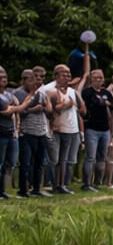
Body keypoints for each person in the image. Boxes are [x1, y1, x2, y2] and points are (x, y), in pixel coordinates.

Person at [46, 63, 83, 193]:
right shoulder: (48, 89)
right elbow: (49, 110)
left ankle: (61, 185)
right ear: (55, 75)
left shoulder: (72, 91)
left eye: (68, 73)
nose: (67, 76)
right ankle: (52, 184)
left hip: (70, 129)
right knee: (54, 159)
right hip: (54, 130)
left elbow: (81, 111)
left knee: (64, 159)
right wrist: (64, 105)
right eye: (63, 73)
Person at [17, 69, 52, 197]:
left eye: (36, 80)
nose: (35, 82)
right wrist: (33, 108)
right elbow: (20, 112)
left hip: (41, 131)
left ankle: (36, 188)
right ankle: (23, 190)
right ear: (24, 80)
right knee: (25, 163)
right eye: (31, 80)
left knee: (39, 163)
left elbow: (49, 112)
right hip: (27, 132)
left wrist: (44, 106)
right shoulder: (19, 93)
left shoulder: (42, 94)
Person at [80, 69, 113, 191]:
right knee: (90, 157)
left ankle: (98, 182)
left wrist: (104, 103)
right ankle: (86, 183)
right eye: (96, 78)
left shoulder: (107, 93)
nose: (99, 80)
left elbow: (111, 108)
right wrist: (103, 102)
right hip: (91, 128)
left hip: (105, 129)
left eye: (101, 78)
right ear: (91, 79)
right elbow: (93, 103)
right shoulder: (87, 92)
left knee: (102, 157)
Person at [0, 67, 18, 198]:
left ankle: (3, 190)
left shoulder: (9, 94)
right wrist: (16, 107)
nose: (3, 78)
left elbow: (14, 111)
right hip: (1, 134)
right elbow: (6, 112)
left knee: (10, 162)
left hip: (10, 132)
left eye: (5, 75)